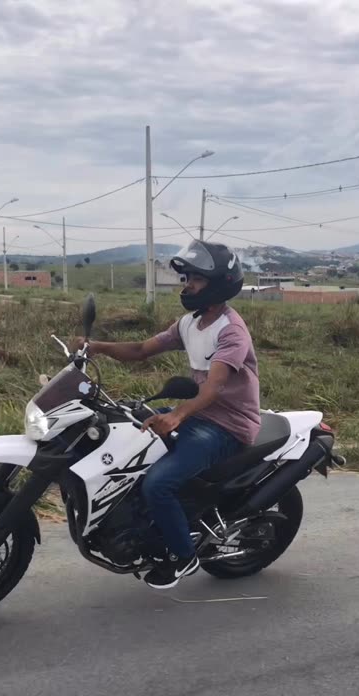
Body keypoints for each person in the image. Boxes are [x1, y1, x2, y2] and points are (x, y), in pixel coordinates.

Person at [74, 241, 260, 590]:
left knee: (159, 484)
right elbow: (141, 349)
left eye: (196, 280)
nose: (187, 286)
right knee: (122, 429)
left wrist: (177, 415)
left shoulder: (231, 330)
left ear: (218, 285)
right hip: (199, 414)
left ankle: (183, 556)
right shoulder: (190, 322)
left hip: (227, 425)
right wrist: (96, 347)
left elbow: (214, 387)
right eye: (187, 278)